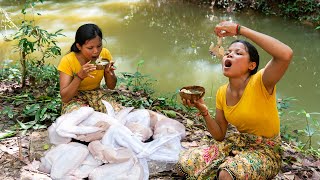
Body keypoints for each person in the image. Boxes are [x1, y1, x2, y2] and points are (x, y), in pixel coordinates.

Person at [177, 21, 293, 179]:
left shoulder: (261, 82)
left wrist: (240, 30)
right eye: (228, 52)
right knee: (184, 165)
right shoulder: (222, 92)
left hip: (265, 152)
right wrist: (203, 110)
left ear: (251, 65)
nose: (229, 54)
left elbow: (285, 54)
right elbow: (219, 135)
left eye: (238, 53)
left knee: (227, 174)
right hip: (237, 144)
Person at [58, 23, 118, 114]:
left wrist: (110, 73)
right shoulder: (68, 60)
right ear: (79, 46)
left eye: (99, 46)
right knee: (80, 116)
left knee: (116, 112)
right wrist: (79, 77)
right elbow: (65, 97)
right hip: (75, 98)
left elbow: (111, 86)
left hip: (97, 94)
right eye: (90, 48)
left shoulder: (104, 54)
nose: (96, 51)